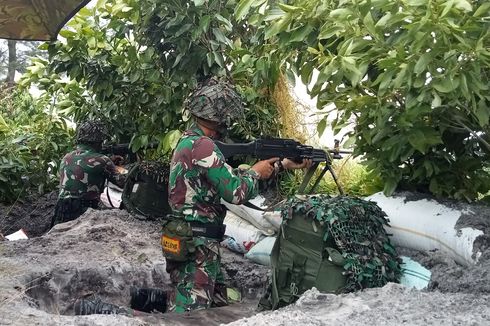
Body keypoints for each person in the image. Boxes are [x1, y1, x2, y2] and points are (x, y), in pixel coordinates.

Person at [163, 77, 310, 313]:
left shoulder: (188, 141)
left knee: (218, 302)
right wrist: (255, 172)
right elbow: (235, 192)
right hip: (197, 242)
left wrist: (280, 166)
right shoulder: (203, 146)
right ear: (219, 115)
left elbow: (229, 179)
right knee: (188, 314)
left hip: (190, 238)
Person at [51, 120, 126, 228]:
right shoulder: (102, 160)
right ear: (98, 141)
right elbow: (122, 182)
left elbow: (86, 168)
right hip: (84, 210)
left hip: (61, 210)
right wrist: (118, 168)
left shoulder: (67, 157)